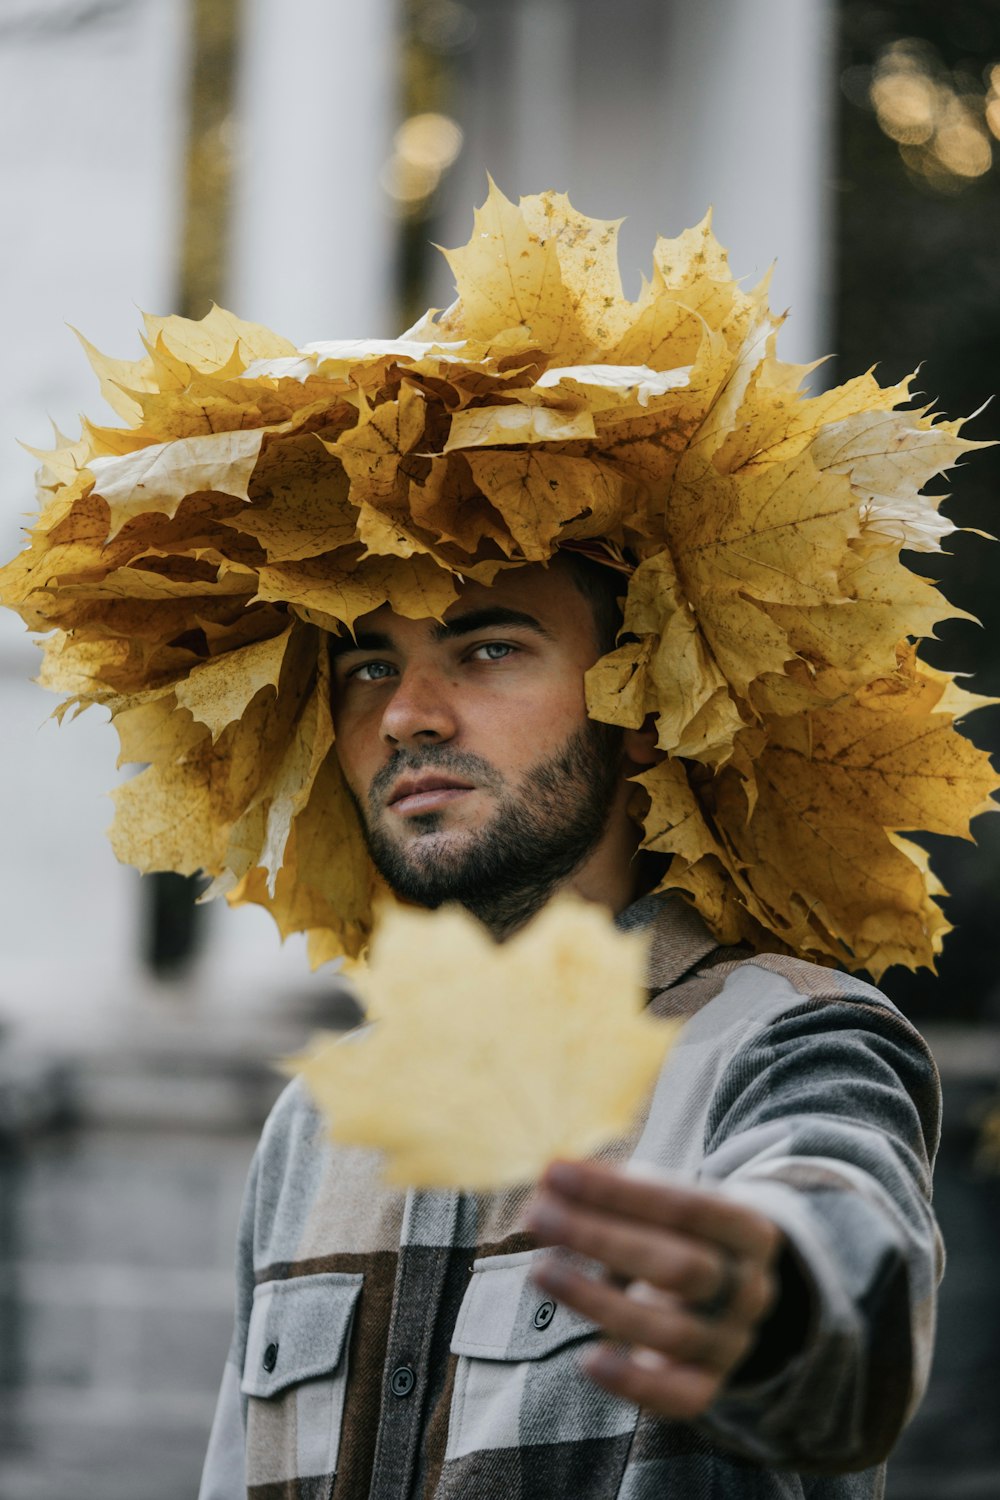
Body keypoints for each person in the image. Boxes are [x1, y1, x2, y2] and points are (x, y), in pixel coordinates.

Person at [197, 553, 942, 1499]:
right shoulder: (316, 1116)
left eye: (489, 647)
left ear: (637, 705)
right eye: (370, 667)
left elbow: (845, 1243)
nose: (405, 715)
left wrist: (783, 1302)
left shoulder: (787, 1038)